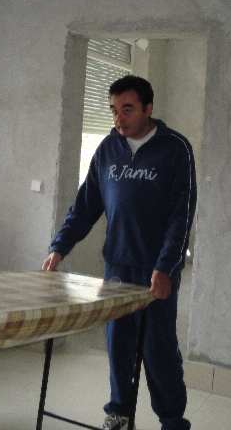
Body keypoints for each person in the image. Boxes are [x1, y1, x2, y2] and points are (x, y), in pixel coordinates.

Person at [42, 74, 196, 430]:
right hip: (117, 267)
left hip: (157, 270)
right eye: (113, 110)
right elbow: (85, 206)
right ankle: (119, 413)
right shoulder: (108, 149)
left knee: (158, 349)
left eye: (127, 109)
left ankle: (173, 421)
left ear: (148, 108)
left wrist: (165, 266)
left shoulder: (175, 149)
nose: (118, 118)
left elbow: (182, 215)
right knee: (119, 345)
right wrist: (60, 247)